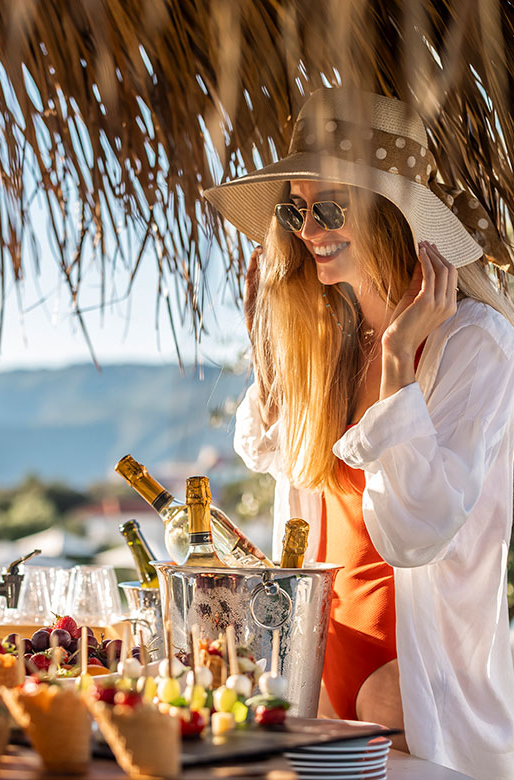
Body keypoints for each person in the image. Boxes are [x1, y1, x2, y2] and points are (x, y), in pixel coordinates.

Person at [204, 87, 514, 779]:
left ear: (395, 212)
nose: (308, 227)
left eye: (330, 206)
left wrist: (400, 363)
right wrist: (270, 351)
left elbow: (416, 531)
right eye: (295, 208)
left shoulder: (476, 345)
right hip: (318, 684)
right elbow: (273, 455)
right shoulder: (336, 338)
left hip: (414, 702)